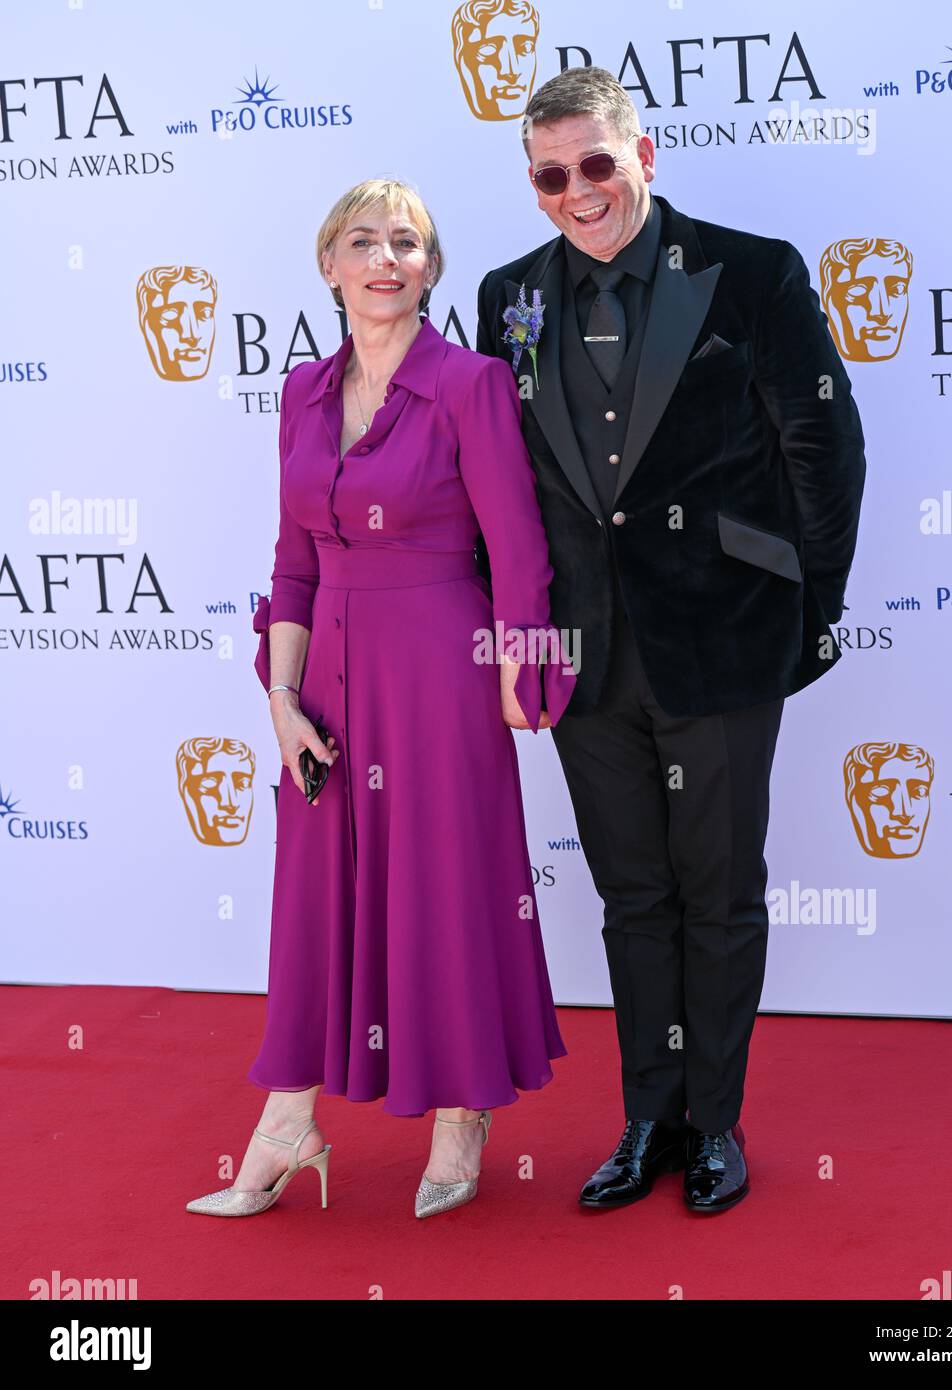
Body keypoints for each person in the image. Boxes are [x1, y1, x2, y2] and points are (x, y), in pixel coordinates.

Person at [476, 66, 866, 1213]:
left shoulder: (751, 271)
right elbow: (510, 486)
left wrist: (809, 607)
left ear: (643, 154)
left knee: (717, 886)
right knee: (630, 891)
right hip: (582, 655)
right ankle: (648, 1116)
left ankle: (716, 1124)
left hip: (725, 636)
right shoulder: (510, 297)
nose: (576, 192)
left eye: (596, 164)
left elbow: (822, 447)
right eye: (551, 176)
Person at [187, 177, 576, 1221]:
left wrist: (522, 674)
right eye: (363, 241)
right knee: (318, 899)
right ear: (329, 264)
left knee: (445, 887)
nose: (385, 258)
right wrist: (278, 696)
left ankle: (461, 1115)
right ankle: (288, 1118)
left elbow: (518, 546)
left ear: (431, 269)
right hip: (327, 684)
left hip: (441, 672)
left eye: (407, 242)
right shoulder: (303, 392)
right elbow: (293, 559)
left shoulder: (471, 383)